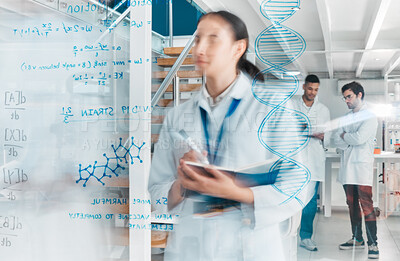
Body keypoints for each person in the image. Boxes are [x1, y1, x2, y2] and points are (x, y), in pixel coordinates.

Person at [148, 11, 310, 261]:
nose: (200, 48)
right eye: (197, 39)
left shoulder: (272, 107)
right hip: (192, 248)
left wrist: (236, 192)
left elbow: (297, 184)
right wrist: (182, 183)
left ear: (238, 48)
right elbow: (157, 190)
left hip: (250, 248)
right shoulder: (176, 116)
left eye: (213, 39)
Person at [333, 81, 379, 259]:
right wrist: (345, 138)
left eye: (349, 97)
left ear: (359, 95)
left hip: (361, 168)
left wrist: (345, 136)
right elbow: (337, 140)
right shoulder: (346, 116)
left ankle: (373, 244)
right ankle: (357, 238)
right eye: (344, 98)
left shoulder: (370, 116)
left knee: (366, 205)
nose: (346, 101)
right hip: (347, 168)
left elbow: (359, 139)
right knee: (352, 205)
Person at [293, 74, 330, 251]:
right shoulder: (292, 105)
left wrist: (304, 129)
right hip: (294, 159)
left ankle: (305, 237)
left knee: (309, 202)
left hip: (313, 160)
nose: (312, 92)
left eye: (316, 89)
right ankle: (288, 233)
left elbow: (324, 133)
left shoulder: (323, 109)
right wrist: (308, 130)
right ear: (303, 87)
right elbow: (286, 128)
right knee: (289, 198)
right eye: (310, 88)